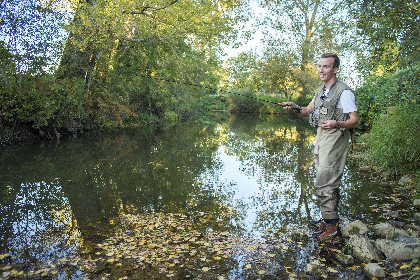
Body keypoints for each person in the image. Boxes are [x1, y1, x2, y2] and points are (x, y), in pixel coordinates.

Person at [279, 53, 359, 242]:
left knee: (326, 181)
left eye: (326, 66)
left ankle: (332, 228)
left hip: (335, 138)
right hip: (321, 138)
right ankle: (328, 219)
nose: (321, 70)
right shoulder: (320, 91)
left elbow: (355, 120)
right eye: (320, 66)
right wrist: (295, 107)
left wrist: (336, 123)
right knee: (324, 178)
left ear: (335, 69)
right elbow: (307, 110)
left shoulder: (344, 92)